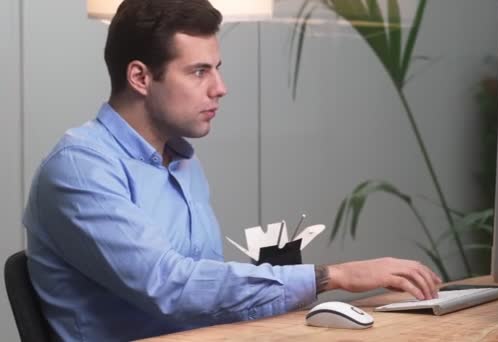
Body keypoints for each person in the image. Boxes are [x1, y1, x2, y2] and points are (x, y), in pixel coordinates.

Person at [22, 0, 442, 341]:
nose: (219, 88)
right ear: (140, 77)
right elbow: (173, 288)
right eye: (199, 71)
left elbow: (206, 294)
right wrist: (333, 276)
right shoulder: (79, 170)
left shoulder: (182, 161)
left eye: (216, 69)